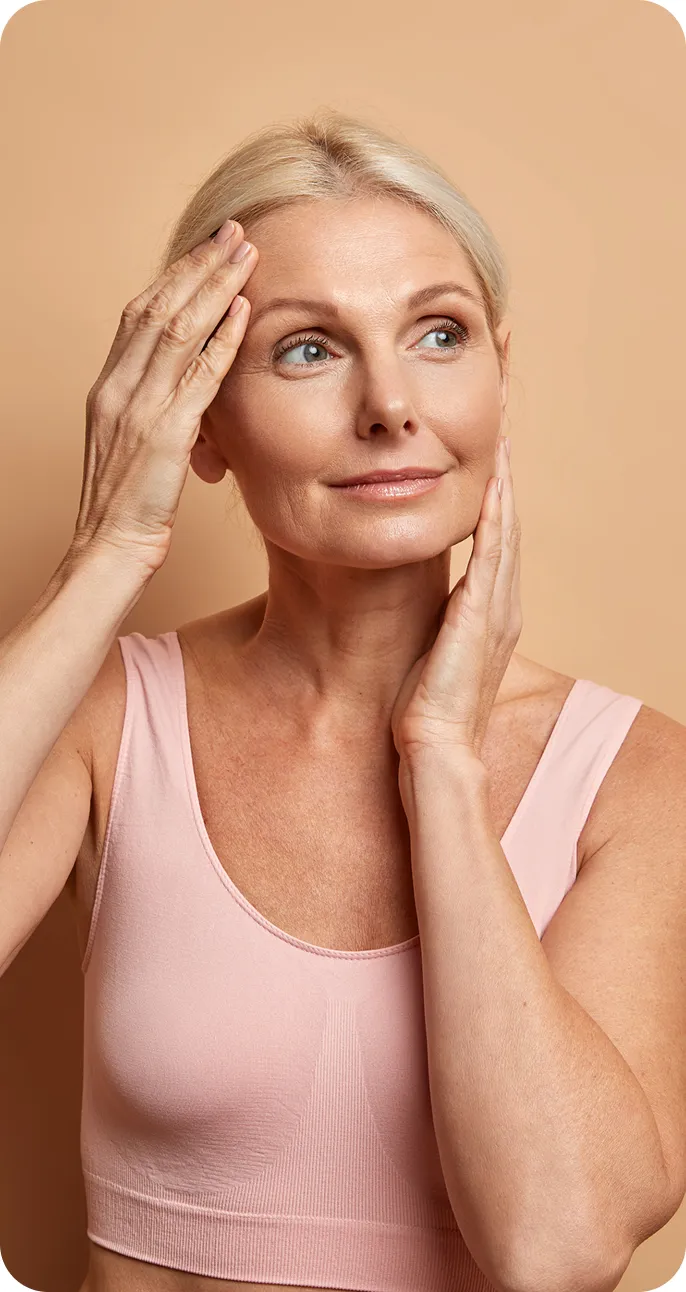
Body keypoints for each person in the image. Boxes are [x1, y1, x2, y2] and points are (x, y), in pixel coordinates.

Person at [1, 108, 685, 1292]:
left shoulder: (639, 776)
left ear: (499, 377)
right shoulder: (107, 715)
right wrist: (108, 548)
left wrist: (442, 762)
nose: (389, 405)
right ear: (198, 420)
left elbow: (556, 1248)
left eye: (436, 333)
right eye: (306, 348)